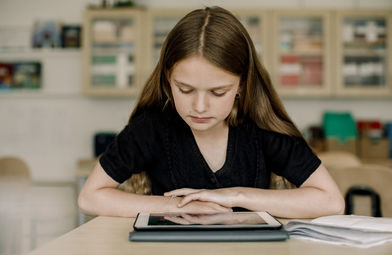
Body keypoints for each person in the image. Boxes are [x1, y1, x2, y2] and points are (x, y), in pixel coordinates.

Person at [78, 6, 344, 219]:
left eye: (218, 92)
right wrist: (181, 206)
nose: (200, 107)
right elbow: (90, 197)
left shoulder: (261, 126)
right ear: (168, 79)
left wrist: (235, 196)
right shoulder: (152, 126)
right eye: (185, 89)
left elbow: (331, 201)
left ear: (241, 84)